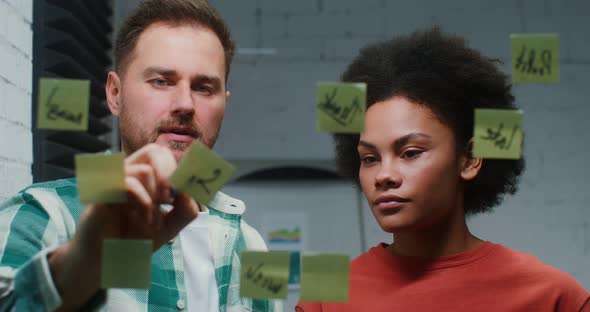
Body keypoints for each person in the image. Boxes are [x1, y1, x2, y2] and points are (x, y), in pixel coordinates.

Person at [0, 0, 278, 311]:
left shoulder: (251, 245)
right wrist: (80, 263)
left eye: (204, 87)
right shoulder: (44, 216)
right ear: (114, 94)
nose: (185, 103)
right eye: (161, 81)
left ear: (224, 103)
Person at [297, 27, 590, 312]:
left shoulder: (551, 297)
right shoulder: (325, 297)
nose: (384, 175)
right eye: (370, 158)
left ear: (469, 159)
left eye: (410, 153)